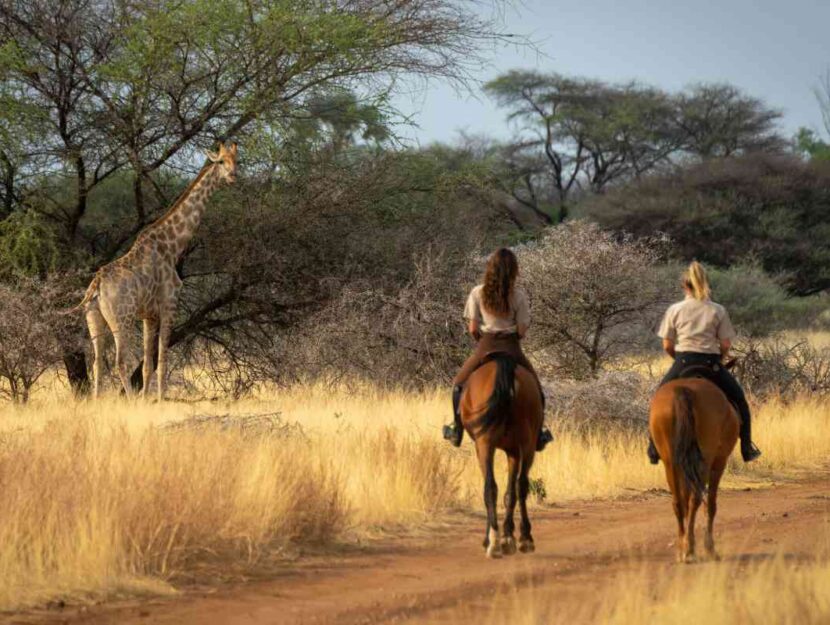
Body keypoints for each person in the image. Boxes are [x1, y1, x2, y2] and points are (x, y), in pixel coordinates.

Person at [649, 261, 762, 464]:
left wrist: (679, 360)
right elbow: (726, 343)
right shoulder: (717, 310)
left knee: (658, 398)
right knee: (739, 399)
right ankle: (747, 447)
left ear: (685, 286)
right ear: (705, 284)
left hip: (683, 361)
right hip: (711, 363)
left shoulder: (675, 310)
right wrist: (720, 357)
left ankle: (653, 448)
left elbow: (667, 344)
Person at [442, 248, 553, 451]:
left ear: (490, 268)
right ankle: (539, 434)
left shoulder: (477, 292)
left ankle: (456, 429)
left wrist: (482, 340)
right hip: (511, 347)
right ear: (514, 271)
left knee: (458, 384)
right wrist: (513, 337)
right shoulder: (519, 295)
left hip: (486, 345)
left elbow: (473, 328)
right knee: (537, 388)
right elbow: (521, 330)